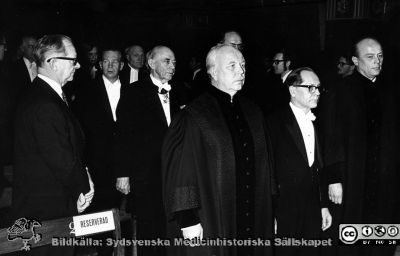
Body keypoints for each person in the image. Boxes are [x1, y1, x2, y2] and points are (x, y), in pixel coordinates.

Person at [162, 44, 274, 256]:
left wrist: (270, 211)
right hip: (213, 217)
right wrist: (188, 219)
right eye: (232, 66)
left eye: (242, 65)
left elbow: (266, 165)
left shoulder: (253, 111)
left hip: (254, 215)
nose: (241, 71)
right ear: (212, 71)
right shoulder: (195, 116)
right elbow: (182, 171)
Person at [12, 34, 94, 256]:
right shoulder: (43, 103)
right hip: (47, 217)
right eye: (73, 60)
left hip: (53, 209)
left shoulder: (45, 95)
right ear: (53, 62)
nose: (78, 65)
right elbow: (60, 159)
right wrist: (83, 188)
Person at [322, 37, 398, 256]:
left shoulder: (390, 91)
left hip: (384, 181)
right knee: (352, 240)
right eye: (370, 56)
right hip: (352, 177)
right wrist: (333, 178)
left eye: (380, 56)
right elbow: (331, 136)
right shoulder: (341, 91)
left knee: (382, 239)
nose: (377, 61)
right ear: (355, 60)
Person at [113, 45, 184, 256]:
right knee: (149, 232)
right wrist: (123, 173)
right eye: (167, 61)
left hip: (176, 173)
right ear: (151, 63)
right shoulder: (133, 92)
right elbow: (123, 135)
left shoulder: (180, 91)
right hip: (146, 175)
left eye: (174, 62)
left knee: (173, 228)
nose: (172, 66)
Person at [267, 67, 332, 256]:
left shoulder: (318, 121)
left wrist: (324, 205)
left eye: (318, 87)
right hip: (285, 210)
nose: (317, 92)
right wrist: (271, 213)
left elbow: (319, 167)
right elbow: (269, 171)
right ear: (293, 90)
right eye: (311, 87)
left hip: (312, 208)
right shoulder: (273, 123)